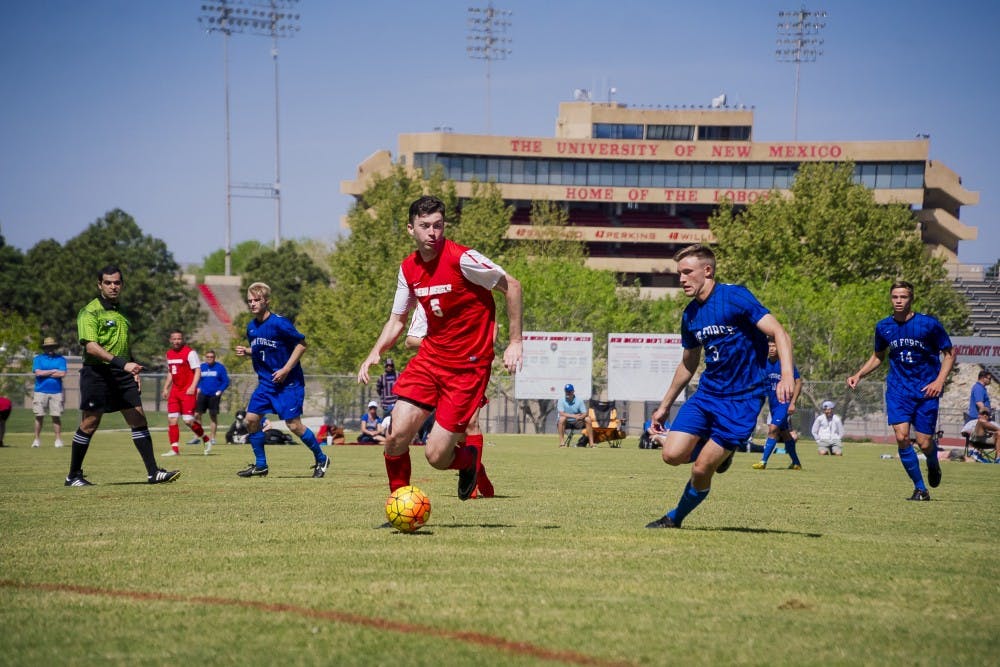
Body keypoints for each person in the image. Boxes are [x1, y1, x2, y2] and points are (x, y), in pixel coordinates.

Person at [357, 195, 522, 502]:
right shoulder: (408, 269)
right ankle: (400, 503)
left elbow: (512, 285)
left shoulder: (462, 258)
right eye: (424, 226)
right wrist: (375, 352)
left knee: (436, 456)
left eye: (438, 225)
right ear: (410, 229)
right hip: (431, 361)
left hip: (467, 368)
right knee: (395, 436)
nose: (432, 232)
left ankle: (468, 460)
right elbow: (397, 320)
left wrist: (515, 342)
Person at [645, 244, 795, 529]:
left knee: (701, 469)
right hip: (707, 395)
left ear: (708, 271)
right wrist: (664, 406)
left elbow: (779, 332)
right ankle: (712, 447)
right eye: (679, 273)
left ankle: (674, 518)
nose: (682, 279)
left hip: (742, 400)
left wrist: (787, 375)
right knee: (671, 455)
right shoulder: (690, 315)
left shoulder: (735, 297)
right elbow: (688, 364)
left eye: (687, 272)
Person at [66, 265, 180, 486]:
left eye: (117, 282)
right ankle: (73, 476)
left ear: (122, 284)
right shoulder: (90, 311)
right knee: (90, 422)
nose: (113, 286)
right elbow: (91, 347)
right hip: (97, 373)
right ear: (99, 285)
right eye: (108, 282)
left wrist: (132, 366)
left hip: (122, 373)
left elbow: (123, 344)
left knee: (138, 418)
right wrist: (123, 364)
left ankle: (153, 472)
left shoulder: (122, 312)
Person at [847, 280, 955, 501]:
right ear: (891, 299)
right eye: (895, 297)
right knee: (902, 437)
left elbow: (950, 353)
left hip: (926, 390)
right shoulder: (883, 327)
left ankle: (933, 464)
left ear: (911, 298)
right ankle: (920, 489)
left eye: (903, 297)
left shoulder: (928, 324)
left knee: (925, 443)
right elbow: (879, 356)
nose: (898, 301)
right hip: (898, 390)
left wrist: (939, 381)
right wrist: (859, 374)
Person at [234, 282, 330, 479]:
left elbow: (302, 345)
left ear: (267, 301)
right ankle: (261, 465)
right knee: (251, 420)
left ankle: (321, 458)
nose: (252, 304)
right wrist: (248, 351)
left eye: (257, 300)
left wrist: (286, 369)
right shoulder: (251, 327)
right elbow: (265, 348)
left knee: (293, 425)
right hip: (266, 383)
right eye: (250, 301)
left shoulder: (280, 323)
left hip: (289, 383)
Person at [404, 303, 495, 497]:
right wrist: (444, 343)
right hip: (439, 373)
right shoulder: (427, 302)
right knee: (457, 435)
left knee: (472, 424)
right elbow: (410, 341)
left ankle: (474, 483)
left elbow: (490, 326)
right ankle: (476, 469)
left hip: (469, 369)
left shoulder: (466, 298)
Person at [751, 337, 803, 469]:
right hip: (774, 405)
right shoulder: (764, 364)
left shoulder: (786, 364)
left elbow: (798, 382)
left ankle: (763, 461)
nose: (772, 349)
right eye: (769, 346)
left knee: (773, 429)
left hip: (784, 404)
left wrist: (792, 403)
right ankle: (796, 463)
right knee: (785, 434)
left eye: (774, 346)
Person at [161, 330, 210, 457]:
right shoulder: (169, 354)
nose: (177, 341)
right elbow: (171, 372)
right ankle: (174, 449)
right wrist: (166, 388)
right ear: (170, 340)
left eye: (179, 339)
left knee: (188, 421)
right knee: (172, 419)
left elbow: (198, 371)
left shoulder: (190, 353)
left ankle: (205, 438)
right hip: (175, 391)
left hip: (188, 391)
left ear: (182, 339)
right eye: (174, 339)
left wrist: (193, 386)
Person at [188, 349, 230, 451]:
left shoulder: (220, 368)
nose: (209, 358)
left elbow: (226, 381)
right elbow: (197, 379)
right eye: (208, 357)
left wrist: (220, 390)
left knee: (213, 416)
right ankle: (197, 436)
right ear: (205, 358)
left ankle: (213, 438)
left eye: (211, 357)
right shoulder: (202, 367)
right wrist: (197, 388)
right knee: (197, 415)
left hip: (214, 395)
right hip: (203, 394)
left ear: (214, 358)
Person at [31, 336, 67, 448]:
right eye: (48, 347)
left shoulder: (61, 359)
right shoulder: (38, 359)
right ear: (44, 348)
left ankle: (58, 440)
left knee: (56, 416)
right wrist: (53, 371)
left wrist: (45, 372)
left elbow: (62, 374)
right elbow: (38, 373)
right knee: (39, 416)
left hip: (56, 392)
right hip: (40, 391)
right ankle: (36, 440)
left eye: (52, 346)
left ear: (54, 347)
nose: (50, 349)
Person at [556, 383, 594, 447]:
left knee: (588, 419)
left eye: (569, 391)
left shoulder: (579, 400)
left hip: (577, 422)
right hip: (566, 422)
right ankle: (562, 443)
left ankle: (591, 444)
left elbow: (585, 413)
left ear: (573, 391)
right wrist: (574, 416)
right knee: (562, 418)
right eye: (566, 391)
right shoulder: (561, 400)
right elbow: (561, 413)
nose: (568, 393)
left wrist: (581, 417)